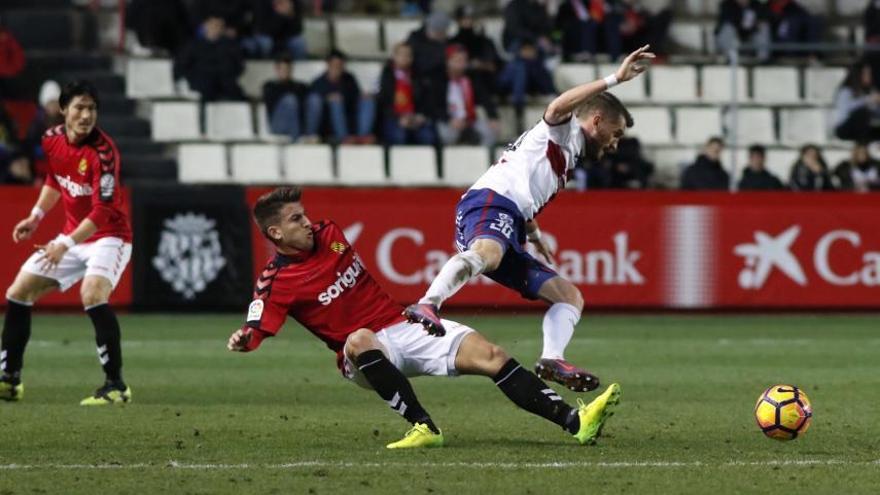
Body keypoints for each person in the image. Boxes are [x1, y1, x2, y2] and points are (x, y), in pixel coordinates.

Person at [227, 186, 621, 448]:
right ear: (275, 233)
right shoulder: (276, 280)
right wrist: (247, 337)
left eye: (305, 214)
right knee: (359, 337)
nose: (308, 222)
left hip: (402, 325)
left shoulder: (329, 231)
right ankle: (423, 428)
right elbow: (258, 323)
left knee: (492, 355)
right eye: (296, 219)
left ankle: (575, 421)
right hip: (363, 355)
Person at [404, 46, 654, 394]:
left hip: (512, 218)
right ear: (596, 120)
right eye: (615, 134)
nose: (614, 145)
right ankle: (428, 304)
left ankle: (552, 358)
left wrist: (533, 233)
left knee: (570, 297)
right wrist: (614, 78)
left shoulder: (568, 154)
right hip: (489, 203)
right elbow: (555, 107)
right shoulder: (563, 131)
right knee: (487, 253)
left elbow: (526, 187)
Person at [0, 81, 132, 405]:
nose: (86, 115)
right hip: (73, 236)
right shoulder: (50, 139)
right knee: (18, 292)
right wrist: (35, 217)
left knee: (92, 293)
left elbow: (103, 210)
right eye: (79, 107)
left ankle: (116, 385)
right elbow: (55, 178)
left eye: (91, 109)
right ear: (63, 110)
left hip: (109, 237)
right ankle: (9, 379)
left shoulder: (104, 152)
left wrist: (65, 243)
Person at [500, 0, 557, 133]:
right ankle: (548, 91)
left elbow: (547, 29)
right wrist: (533, 41)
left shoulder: (539, 8)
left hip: (535, 47)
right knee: (522, 64)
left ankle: (545, 95)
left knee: (534, 60)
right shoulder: (513, 6)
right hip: (515, 46)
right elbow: (514, 30)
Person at [304, 49, 376, 144]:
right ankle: (344, 138)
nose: (337, 68)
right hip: (329, 125)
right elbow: (314, 107)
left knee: (368, 101)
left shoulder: (349, 79)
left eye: (340, 65)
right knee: (335, 102)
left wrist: (363, 96)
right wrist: (329, 99)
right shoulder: (318, 83)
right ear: (328, 65)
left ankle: (362, 136)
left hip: (349, 118)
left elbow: (355, 99)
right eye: (335, 65)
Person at [433, 45, 500, 147]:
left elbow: (485, 98)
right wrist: (449, 119)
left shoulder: (471, 78)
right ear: (448, 62)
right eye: (457, 60)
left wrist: (493, 116)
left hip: (470, 119)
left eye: (464, 60)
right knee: (446, 134)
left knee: (491, 132)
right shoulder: (439, 81)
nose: (461, 64)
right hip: (449, 120)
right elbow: (434, 105)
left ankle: (482, 159)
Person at [174, 16, 246, 101]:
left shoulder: (231, 46)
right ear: (205, 26)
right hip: (201, 82)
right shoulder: (193, 46)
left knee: (236, 94)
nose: (215, 28)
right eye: (212, 25)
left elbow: (239, 65)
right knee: (205, 90)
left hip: (225, 82)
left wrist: (228, 75)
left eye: (219, 25)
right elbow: (181, 65)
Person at [377, 43, 436, 145]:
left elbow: (425, 100)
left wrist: (420, 116)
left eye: (408, 55)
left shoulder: (418, 76)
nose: (405, 58)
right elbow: (384, 103)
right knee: (399, 135)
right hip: (394, 118)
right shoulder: (387, 75)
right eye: (401, 54)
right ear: (394, 56)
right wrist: (399, 118)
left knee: (428, 136)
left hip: (414, 117)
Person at [450, 6, 503, 93]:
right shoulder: (453, 42)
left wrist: (482, 65)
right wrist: (471, 65)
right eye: (465, 19)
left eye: (471, 18)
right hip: (463, 83)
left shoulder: (485, 41)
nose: (468, 21)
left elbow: (496, 63)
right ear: (458, 21)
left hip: (487, 81)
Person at [555, 0, 623, 62]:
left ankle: (614, 55)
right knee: (587, 27)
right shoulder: (565, 6)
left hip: (593, 32)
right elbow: (559, 25)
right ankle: (585, 54)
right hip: (574, 35)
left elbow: (598, 17)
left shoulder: (588, 3)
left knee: (609, 26)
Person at [262, 55, 309, 141]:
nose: (285, 72)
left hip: (296, 123)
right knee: (290, 100)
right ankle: (295, 140)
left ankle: (306, 135)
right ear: (277, 69)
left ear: (291, 69)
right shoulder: (269, 86)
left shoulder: (300, 86)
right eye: (282, 69)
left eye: (287, 69)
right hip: (277, 125)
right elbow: (271, 107)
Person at [832, 61, 880, 142]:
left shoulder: (870, 91)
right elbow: (847, 110)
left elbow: (875, 114)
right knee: (862, 112)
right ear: (858, 75)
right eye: (866, 73)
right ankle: (862, 144)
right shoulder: (846, 91)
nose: (870, 76)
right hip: (845, 128)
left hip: (864, 127)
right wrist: (868, 100)